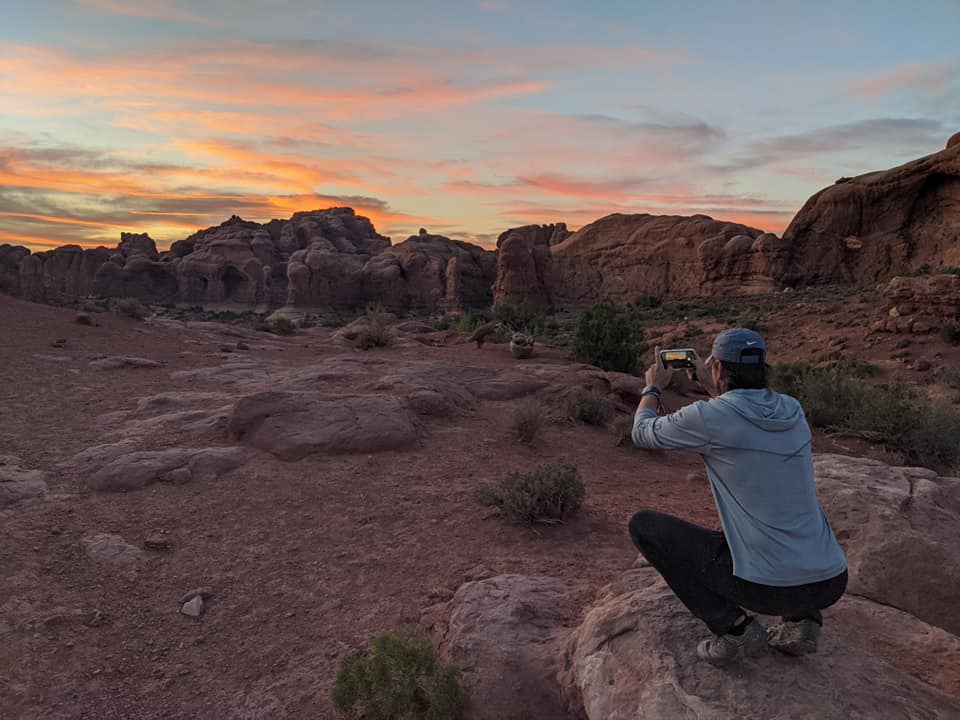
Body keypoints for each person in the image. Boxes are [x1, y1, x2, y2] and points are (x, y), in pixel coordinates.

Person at [630, 328, 847, 667]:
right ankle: (803, 622)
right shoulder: (793, 410)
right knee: (780, 515)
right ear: (763, 367)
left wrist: (653, 385)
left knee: (644, 526)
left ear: (717, 368)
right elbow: (743, 413)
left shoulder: (709, 417)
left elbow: (642, 433)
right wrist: (712, 385)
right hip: (830, 581)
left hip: (766, 590)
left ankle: (734, 629)